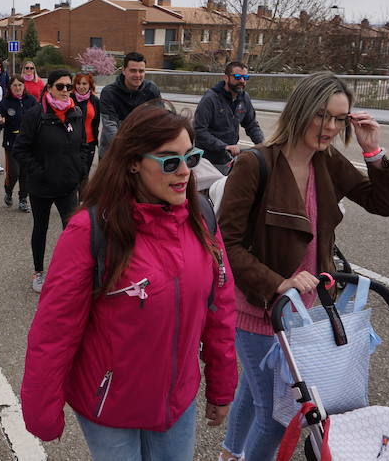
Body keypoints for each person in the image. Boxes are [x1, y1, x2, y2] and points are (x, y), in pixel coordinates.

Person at [20, 103, 237, 460]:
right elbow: (55, 330)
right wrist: (42, 410)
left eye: (191, 157)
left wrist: (222, 386)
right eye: (169, 161)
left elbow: (220, 311)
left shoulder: (202, 220)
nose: (184, 172)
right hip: (111, 408)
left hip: (175, 402)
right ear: (134, 161)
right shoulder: (91, 230)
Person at [218, 71, 389, 461]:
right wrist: (277, 282)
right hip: (261, 310)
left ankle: (231, 454)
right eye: (322, 116)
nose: (331, 128)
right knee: (277, 415)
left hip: (307, 310)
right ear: (301, 110)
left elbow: (384, 205)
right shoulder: (256, 164)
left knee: (256, 392)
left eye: (339, 119)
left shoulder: (327, 162)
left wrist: (373, 152)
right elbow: (225, 244)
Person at [12, 69, 88, 293]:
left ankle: (70, 270)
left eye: (69, 87)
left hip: (68, 185)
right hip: (42, 187)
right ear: (49, 88)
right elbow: (20, 150)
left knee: (71, 230)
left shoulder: (76, 112)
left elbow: (83, 144)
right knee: (41, 229)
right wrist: (40, 172)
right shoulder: (36, 115)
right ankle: (39, 271)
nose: (66, 91)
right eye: (60, 86)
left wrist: (80, 169)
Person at [194, 61, 264, 175]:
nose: (242, 81)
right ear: (226, 78)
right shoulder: (210, 99)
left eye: (245, 77)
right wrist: (224, 146)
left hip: (230, 159)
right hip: (208, 160)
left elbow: (251, 124)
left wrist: (262, 144)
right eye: (237, 77)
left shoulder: (244, 98)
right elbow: (199, 131)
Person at [98, 51, 161, 157]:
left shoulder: (151, 90)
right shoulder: (109, 92)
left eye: (141, 71)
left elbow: (159, 120)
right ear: (123, 70)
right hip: (113, 152)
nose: (138, 75)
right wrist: (129, 151)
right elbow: (110, 127)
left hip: (142, 152)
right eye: (133, 71)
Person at [0, 75, 37, 212]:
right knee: (14, 172)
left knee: (25, 173)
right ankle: (8, 190)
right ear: (10, 87)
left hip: (28, 143)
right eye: (15, 85)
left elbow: (39, 117)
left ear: (24, 86)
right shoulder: (5, 102)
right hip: (11, 142)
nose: (18, 88)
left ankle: (23, 199)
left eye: (20, 85)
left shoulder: (31, 100)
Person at [71, 72, 100, 190]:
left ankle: (81, 203)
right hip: (72, 142)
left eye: (84, 84)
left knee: (85, 174)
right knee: (72, 173)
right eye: (78, 83)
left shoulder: (95, 101)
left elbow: (96, 122)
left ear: (90, 85)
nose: (81, 86)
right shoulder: (70, 98)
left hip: (89, 142)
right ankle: (70, 202)